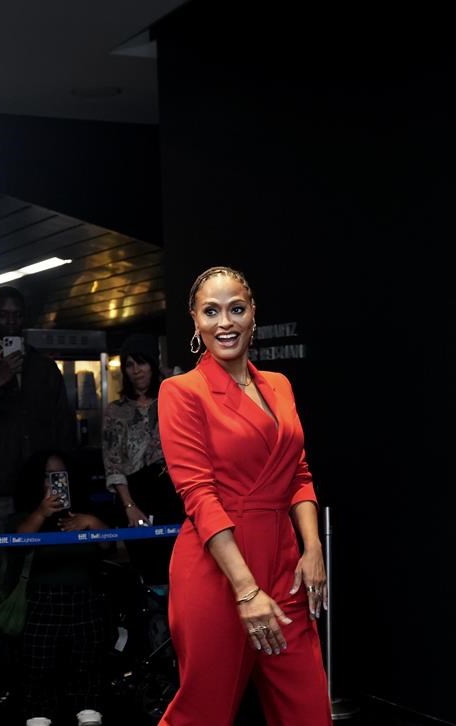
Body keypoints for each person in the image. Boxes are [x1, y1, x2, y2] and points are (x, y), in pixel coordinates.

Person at [157, 266, 331, 725]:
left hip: (285, 564)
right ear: (195, 322)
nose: (225, 323)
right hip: (219, 568)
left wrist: (313, 549)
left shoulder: (280, 385)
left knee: (308, 712)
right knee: (203, 713)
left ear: (253, 314)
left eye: (236, 309)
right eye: (210, 312)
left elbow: (298, 472)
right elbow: (198, 495)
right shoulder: (181, 392)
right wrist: (245, 589)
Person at [0, 285, 76, 591]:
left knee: (45, 564)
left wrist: (63, 480)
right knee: (4, 571)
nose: (10, 322)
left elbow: (63, 425)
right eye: (4, 315)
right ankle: (8, 637)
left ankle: (40, 635)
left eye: (17, 315)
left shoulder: (44, 367)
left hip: (40, 483)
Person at [13, 449, 112, 725]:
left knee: (89, 659)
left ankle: (89, 708)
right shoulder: (27, 512)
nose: (55, 482)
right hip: (42, 601)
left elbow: (108, 544)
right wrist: (41, 513)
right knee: (38, 662)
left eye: (61, 475)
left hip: (85, 597)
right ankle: (38, 713)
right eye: (48, 477)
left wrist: (91, 522)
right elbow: (15, 542)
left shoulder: (84, 510)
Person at [101, 333, 183, 585]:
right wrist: (129, 506)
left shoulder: (172, 398)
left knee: (178, 570)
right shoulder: (115, 411)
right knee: (146, 571)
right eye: (129, 364)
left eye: (142, 362)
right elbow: (113, 463)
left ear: (153, 363)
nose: (136, 370)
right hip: (136, 495)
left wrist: (173, 381)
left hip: (174, 495)